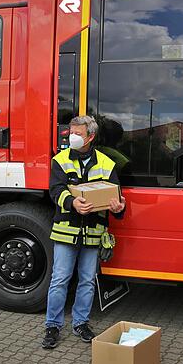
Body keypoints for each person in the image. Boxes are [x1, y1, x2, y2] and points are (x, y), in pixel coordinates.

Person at [41, 115, 126, 349]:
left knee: (88, 281)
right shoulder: (60, 160)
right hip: (66, 231)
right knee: (60, 280)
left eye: (78, 134)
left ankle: (81, 323)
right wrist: (73, 203)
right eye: (71, 133)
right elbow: (55, 190)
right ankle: (52, 326)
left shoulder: (106, 164)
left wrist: (119, 207)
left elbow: (116, 199)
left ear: (91, 137)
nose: (72, 137)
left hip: (92, 233)